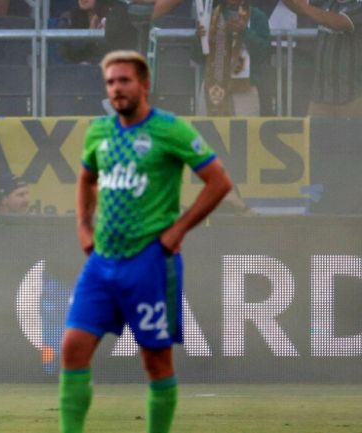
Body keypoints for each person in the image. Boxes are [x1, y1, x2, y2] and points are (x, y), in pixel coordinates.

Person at [58, 50, 232, 433]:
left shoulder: (171, 130)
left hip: (150, 262)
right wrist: (83, 229)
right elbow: (86, 178)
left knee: (155, 360)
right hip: (102, 262)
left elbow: (219, 181)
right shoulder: (99, 131)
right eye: (110, 83)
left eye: (124, 80)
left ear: (144, 84)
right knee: (72, 347)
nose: (117, 89)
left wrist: (179, 229)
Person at [281, 0, 362, 117]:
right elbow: (299, 7)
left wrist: (303, 5)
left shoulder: (358, 5)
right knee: (314, 135)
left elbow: (337, 22)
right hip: (320, 98)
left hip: (352, 98)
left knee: (350, 135)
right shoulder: (327, 2)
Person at [196, 0, 271, 116]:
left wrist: (245, 32)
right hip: (213, 86)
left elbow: (264, 53)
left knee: (245, 132)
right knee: (209, 132)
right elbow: (197, 57)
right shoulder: (210, 16)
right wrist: (198, 39)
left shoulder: (257, 16)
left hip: (246, 88)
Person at [57, 0, 110, 65]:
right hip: (78, 71)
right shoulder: (68, 19)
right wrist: (90, 34)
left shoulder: (114, 17)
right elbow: (67, 54)